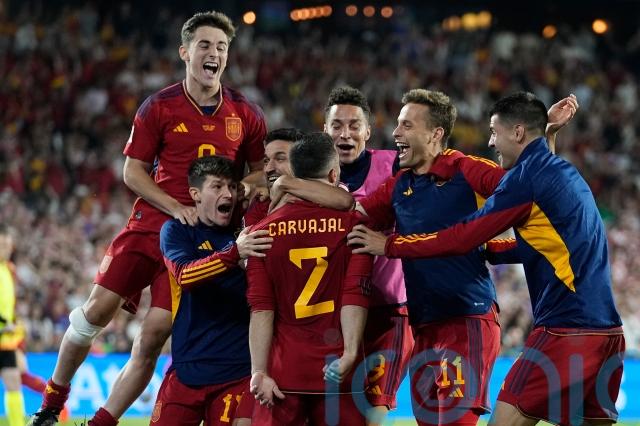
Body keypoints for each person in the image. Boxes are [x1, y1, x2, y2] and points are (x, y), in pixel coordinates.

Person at [271, 90, 578, 425]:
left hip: (467, 319)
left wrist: (546, 136)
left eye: (406, 125)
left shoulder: (466, 169)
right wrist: (288, 183)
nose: (396, 133)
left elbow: (531, 188)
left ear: (435, 134)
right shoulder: (399, 186)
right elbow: (351, 209)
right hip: (424, 327)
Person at [29, 10, 266, 426]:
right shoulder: (159, 106)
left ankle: (101, 421)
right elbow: (132, 171)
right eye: (205, 45)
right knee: (95, 312)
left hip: (200, 241)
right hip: (151, 225)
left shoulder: (245, 113)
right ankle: (51, 403)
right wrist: (174, 206)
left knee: (153, 336)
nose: (214, 53)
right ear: (185, 52)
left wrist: (240, 190)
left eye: (221, 47)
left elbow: (261, 171)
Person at [349, 92, 624, 426]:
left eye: (494, 132)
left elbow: (462, 236)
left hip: (565, 328)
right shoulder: (561, 171)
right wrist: (547, 135)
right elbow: (538, 236)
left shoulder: (515, 179)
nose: (491, 142)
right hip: (607, 331)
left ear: (517, 132)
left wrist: (390, 245)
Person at [247, 133, 373, 425]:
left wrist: (259, 371)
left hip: (283, 374)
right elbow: (355, 294)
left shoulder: (260, 233)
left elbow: (261, 308)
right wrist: (350, 353)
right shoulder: (355, 225)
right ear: (334, 174)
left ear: (294, 172)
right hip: (339, 371)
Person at [151, 155, 272, 426]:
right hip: (187, 369)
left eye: (231, 186)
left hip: (237, 373)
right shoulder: (178, 231)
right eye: (217, 186)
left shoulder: (248, 230)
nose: (227, 193)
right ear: (195, 194)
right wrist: (234, 254)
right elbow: (184, 275)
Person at [324, 87, 413, 425]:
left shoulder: (394, 165)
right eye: (336, 125)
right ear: (325, 130)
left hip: (387, 313)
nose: (345, 134)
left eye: (353, 125)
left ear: (367, 132)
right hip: (333, 315)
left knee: (372, 414)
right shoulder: (310, 176)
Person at [0, 224, 24, 426]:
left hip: (5, 339)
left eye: (8, 245)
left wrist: (13, 322)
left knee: (14, 381)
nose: (6, 249)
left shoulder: (8, 269)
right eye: (2, 245)